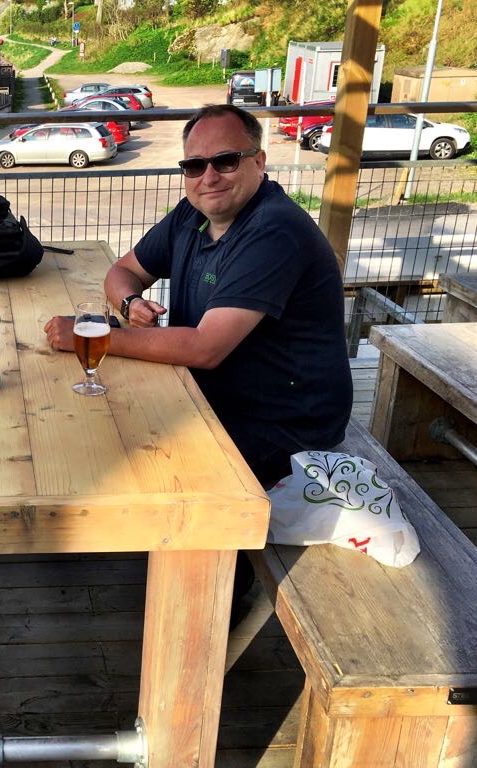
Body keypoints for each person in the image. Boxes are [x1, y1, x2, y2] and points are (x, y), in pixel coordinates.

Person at [44, 104, 352, 606]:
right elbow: (122, 271)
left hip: (285, 423)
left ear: (259, 161)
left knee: (155, 457)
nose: (208, 176)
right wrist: (130, 304)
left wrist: (92, 336)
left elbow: (206, 349)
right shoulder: (194, 214)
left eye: (225, 161)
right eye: (194, 165)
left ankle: (212, 593)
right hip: (215, 394)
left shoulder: (274, 232)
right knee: (96, 420)